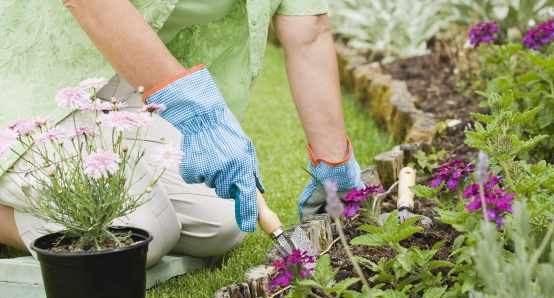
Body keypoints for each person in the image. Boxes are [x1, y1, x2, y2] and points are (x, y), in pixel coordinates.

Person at [0, 0, 364, 266]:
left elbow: (310, 31)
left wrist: (334, 165)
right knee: (138, 236)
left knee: (224, 222)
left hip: (120, 87)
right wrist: (193, 110)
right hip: (24, 83)